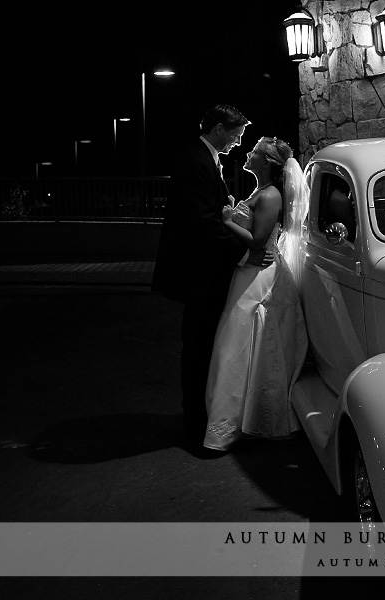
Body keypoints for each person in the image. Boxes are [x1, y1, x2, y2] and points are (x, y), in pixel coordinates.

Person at [152, 104, 268, 451]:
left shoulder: (204, 158)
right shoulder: (195, 162)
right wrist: (246, 254)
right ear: (219, 128)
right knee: (199, 343)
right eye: (237, 133)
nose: (238, 141)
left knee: (204, 342)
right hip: (199, 271)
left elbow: (214, 214)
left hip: (206, 269)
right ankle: (195, 421)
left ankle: (200, 413)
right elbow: (204, 223)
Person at [202, 137, 309, 452]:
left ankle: (234, 422)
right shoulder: (259, 192)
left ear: (268, 161)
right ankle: (230, 420)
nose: (248, 154)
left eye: (256, 152)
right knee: (233, 345)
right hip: (248, 272)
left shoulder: (271, 195)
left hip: (258, 276)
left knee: (236, 345)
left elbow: (259, 240)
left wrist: (226, 221)